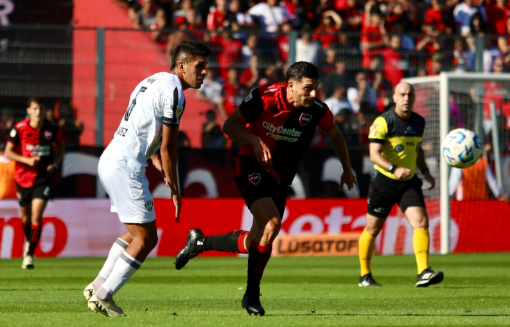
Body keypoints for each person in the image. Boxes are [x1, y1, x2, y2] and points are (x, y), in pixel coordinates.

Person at [174, 61, 357, 316]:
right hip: (250, 163)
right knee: (271, 223)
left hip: (280, 177)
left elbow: (335, 136)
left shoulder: (316, 109)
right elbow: (230, 126)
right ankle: (251, 295)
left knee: (256, 241)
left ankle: (200, 242)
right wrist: (255, 141)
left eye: (316, 88)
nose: (314, 94)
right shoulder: (265, 97)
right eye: (308, 88)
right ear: (290, 86)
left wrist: (347, 169)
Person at [83, 40, 211, 317]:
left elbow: (141, 128)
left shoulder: (152, 80)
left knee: (135, 232)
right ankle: (105, 296)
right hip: (125, 167)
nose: (204, 72)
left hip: (112, 159)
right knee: (147, 239)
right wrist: (175, 188)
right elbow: (169, 147)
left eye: (206, 67)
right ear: (181, 66)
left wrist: (153, 159)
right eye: (199, 66)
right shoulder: (176, 92)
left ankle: (97, 286)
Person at [358, 82, 444, 288]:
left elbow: (418, 150)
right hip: (384, 182)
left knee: (421, 222)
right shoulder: (383, 121)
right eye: (402, 94)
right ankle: (364, 275)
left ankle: (423, 271)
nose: (406, 98)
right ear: (394, 98)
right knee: (372, 228)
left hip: (408, 182)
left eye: (410, 95)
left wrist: (425, 172)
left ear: (414, 99)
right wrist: (393, 168)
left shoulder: (419, 122)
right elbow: (373, 154)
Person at [5, 97, 65, 269]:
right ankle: (28, 243)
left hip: (43, 179)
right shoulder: (19, 128)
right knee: (25, 218)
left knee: (36, 215)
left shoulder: (52, 129)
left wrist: (54, 164)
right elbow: (8, 152)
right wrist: (26, 160)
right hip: (22, 178)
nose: (38, 112)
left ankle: (29, 255)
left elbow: (61, 147)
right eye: (35, 108)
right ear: (29, 110)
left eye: (41, 109)